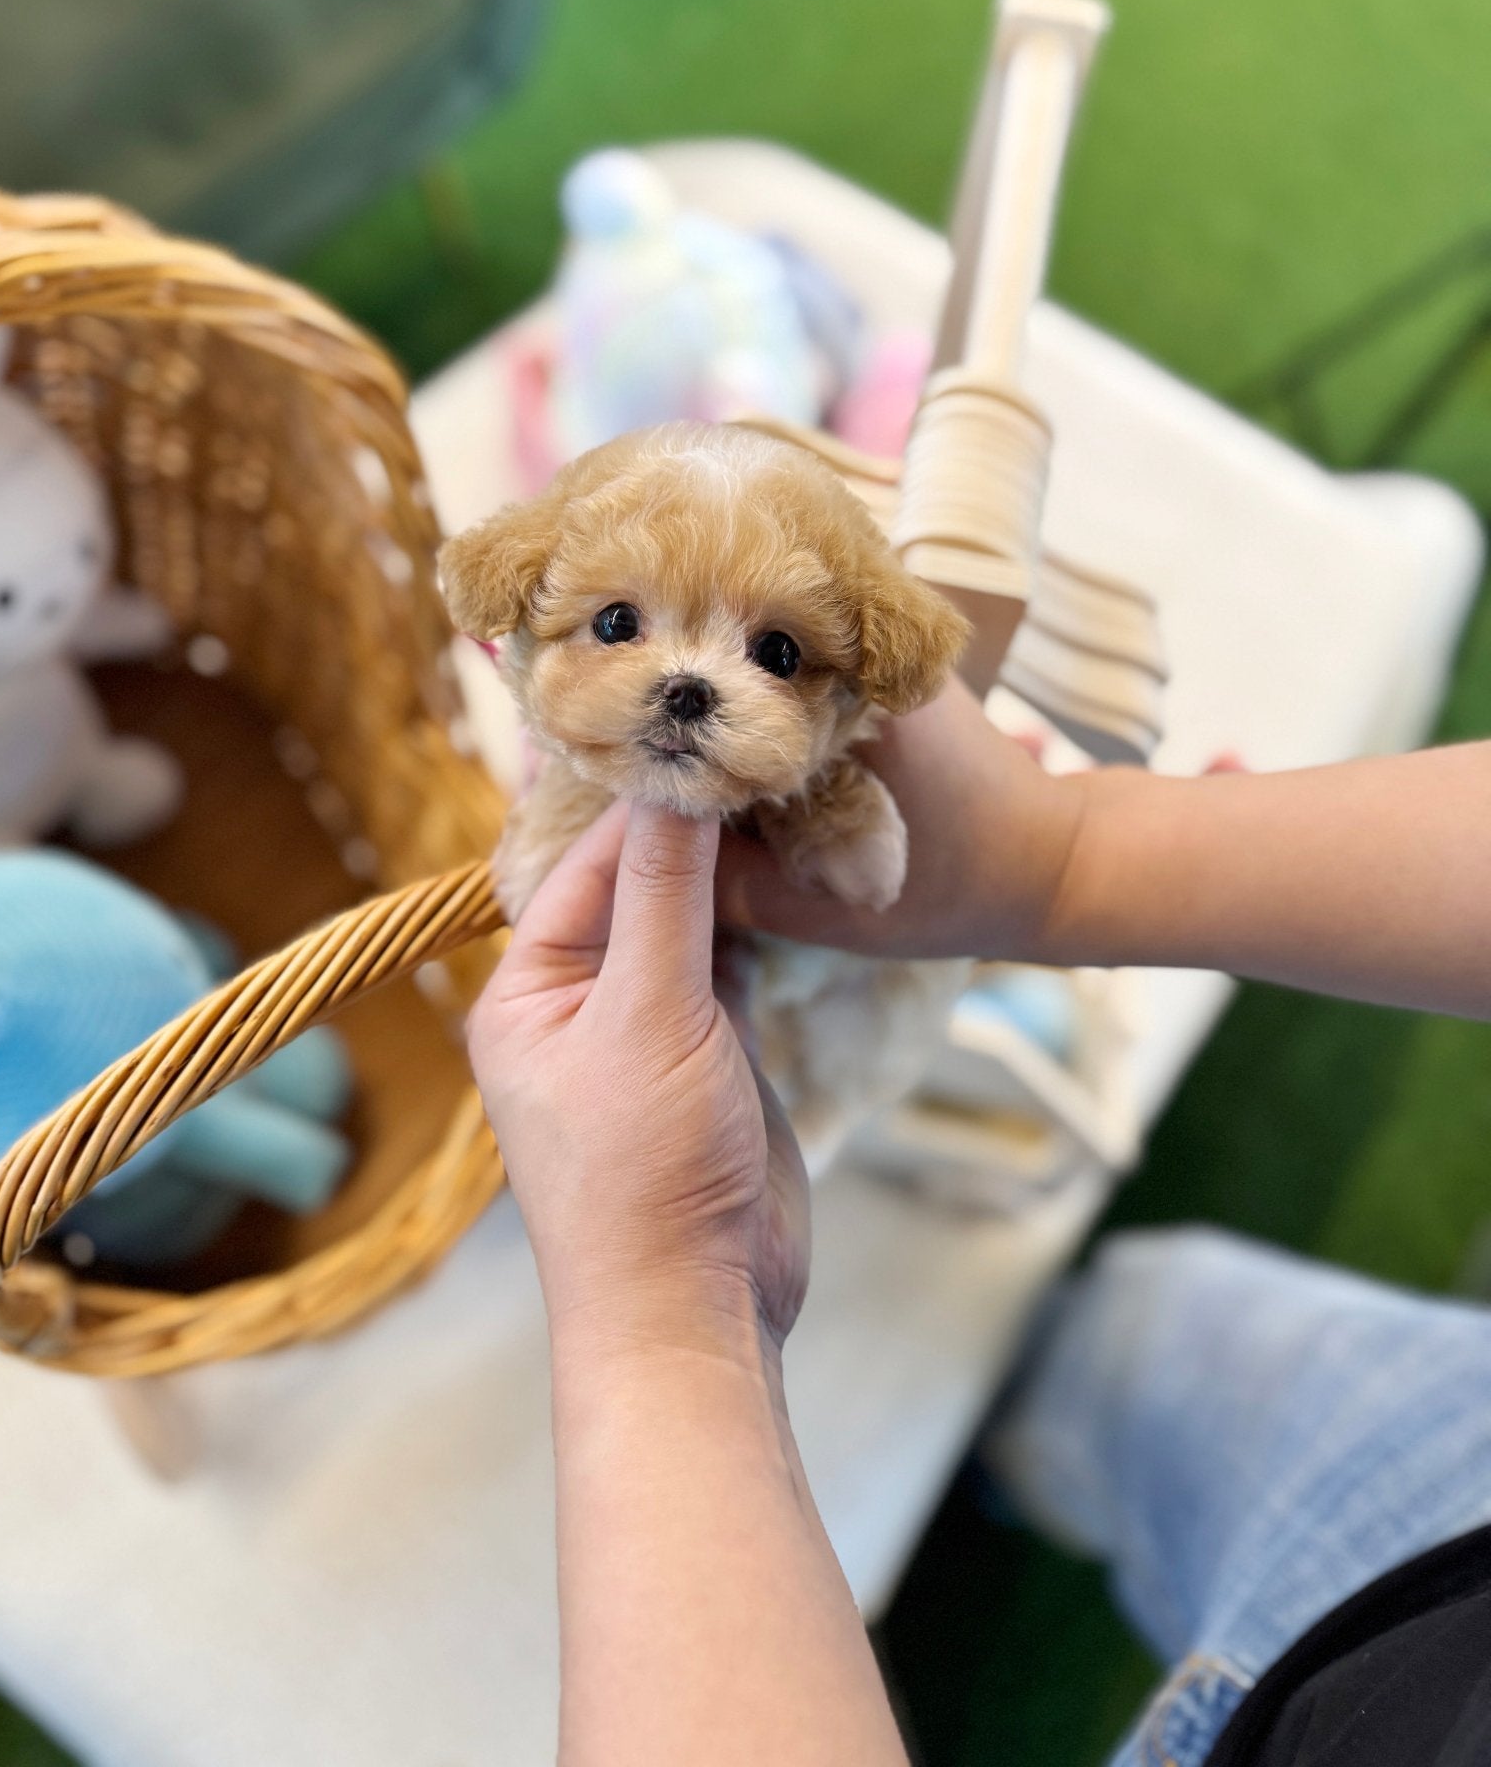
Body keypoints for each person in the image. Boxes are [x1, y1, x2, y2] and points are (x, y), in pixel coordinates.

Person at [466, 679, 1491, 1766]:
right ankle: (1020, 1416)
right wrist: (1060, 858)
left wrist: (664, 1309)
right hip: (1448, 1523)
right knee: (1155, 1322)